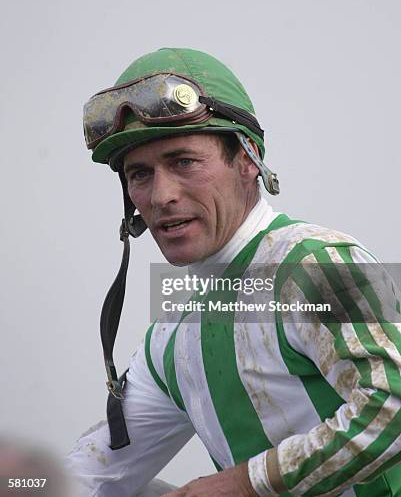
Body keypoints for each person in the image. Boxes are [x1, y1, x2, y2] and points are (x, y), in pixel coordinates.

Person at [67, 47, 401, 497]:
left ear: (248, 159)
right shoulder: (169, 339)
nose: (161, 194)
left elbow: (395, 407)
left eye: (184, 161)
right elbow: (89, 475)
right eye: (140, 174)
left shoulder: (314, 263)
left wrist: (245, 483)